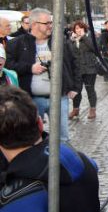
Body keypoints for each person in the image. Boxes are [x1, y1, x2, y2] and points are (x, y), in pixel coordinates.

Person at [5, 8, 79, 145]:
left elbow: (74, 63)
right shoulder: (17, 44)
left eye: (51, 22)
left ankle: (61, 165)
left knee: (63, 139)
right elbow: (8, 66)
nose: (51, 26)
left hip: (59, 98)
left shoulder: (60, 42)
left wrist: (74, 87)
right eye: (47, 23)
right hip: (31, 100)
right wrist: (30, 68)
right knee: (33, 140)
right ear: (34, 24)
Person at [68, 20, 100, 120]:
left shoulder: (89, 37)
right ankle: (76, 109)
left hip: (89, 69)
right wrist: (71, 40)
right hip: (77, 70)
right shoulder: (72, 40)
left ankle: (92, 109)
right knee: (76, 90)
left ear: (84, 29)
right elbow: (68, 52)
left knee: (90, 89)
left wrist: (84, 37)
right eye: (76, 28)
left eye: (80, 28)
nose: (78, 30)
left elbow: (95, 49)